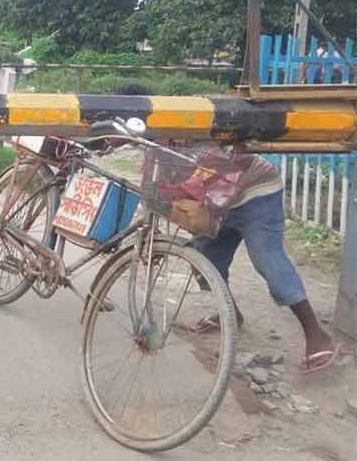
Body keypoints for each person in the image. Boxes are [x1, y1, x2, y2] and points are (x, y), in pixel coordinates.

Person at [111, 84, 339, 374]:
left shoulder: (188, 125)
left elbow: (218, 172)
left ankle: (316, 334)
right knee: (205, 260)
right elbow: (157, 193)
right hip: (217, 201)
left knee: (267, 260)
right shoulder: (154, 145)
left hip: (255, 194)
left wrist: (189, 208)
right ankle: (230, 314)